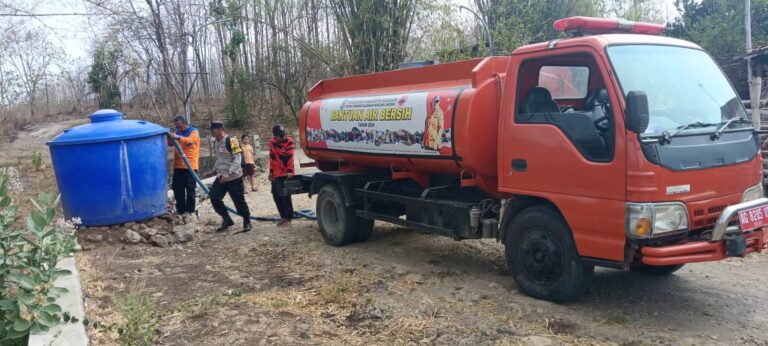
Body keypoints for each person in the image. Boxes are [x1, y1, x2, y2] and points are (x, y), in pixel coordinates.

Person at [202, 121, 252, 233]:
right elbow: (221, 159)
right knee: (214, 197)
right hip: (221, 177)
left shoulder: (232, 141)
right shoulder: (216, 142)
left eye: (213, 129)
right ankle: (226, 219)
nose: (211, 132)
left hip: (233, 177)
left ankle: (247, 221)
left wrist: (229, 173)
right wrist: (213, 171)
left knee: (239, 201)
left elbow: (237, 159)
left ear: (220, 129)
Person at [167, 115, 200, 215]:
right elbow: (171, 144)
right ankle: (180, 209)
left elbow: (190, 140)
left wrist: (177, 136)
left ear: (186, 123)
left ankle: (190, 210)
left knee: (190, 189)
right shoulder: (177, 132)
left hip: (190, 166)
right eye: (177, 127)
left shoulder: (194, 131)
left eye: (180, 126)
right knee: (178, 188)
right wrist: (169, 138)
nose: (179, 129)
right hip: (178, 166)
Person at [268, 125, 295, 227]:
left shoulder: (289, 141)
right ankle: (283, 216)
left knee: (285, 195)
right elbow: (272, 157)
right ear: (275, 136)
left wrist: (289, 171)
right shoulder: (272, 143)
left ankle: (288, 218)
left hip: (285, 173)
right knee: (276, 195)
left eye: (283, 135)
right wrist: (270, 171)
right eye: (280, 136)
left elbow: (290, 157)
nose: (283, 137)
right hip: (276, 173)